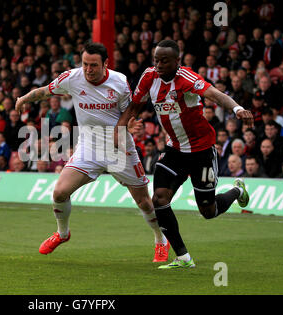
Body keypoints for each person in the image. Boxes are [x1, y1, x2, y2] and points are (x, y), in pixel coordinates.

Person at [15, 41, 169, 262]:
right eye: (85, 64)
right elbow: (46, 91)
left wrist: (126, 126)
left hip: (119, 148)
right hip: (89, 147)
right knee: (59, 192)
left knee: (144, 201)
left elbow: (130, 111)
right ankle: (62, 233)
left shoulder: (119, 82)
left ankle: (160, 240)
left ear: (105, 63)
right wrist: (24, 98)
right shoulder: (72, 77)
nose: (88, 69)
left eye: (94, 65)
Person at [116, 40, 253, 269]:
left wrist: (237, 109)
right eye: (156, 59)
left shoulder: (187, 78)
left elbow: (214, 94)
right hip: (175, 150)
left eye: (164, 60)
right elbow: (133, 108)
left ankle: (238, 190)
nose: (158, 64)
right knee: (159, 198)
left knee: (208, 211)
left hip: (202, 151)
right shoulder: (149, 77)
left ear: (177, 61)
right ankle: (183, 257)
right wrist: (118, 132)